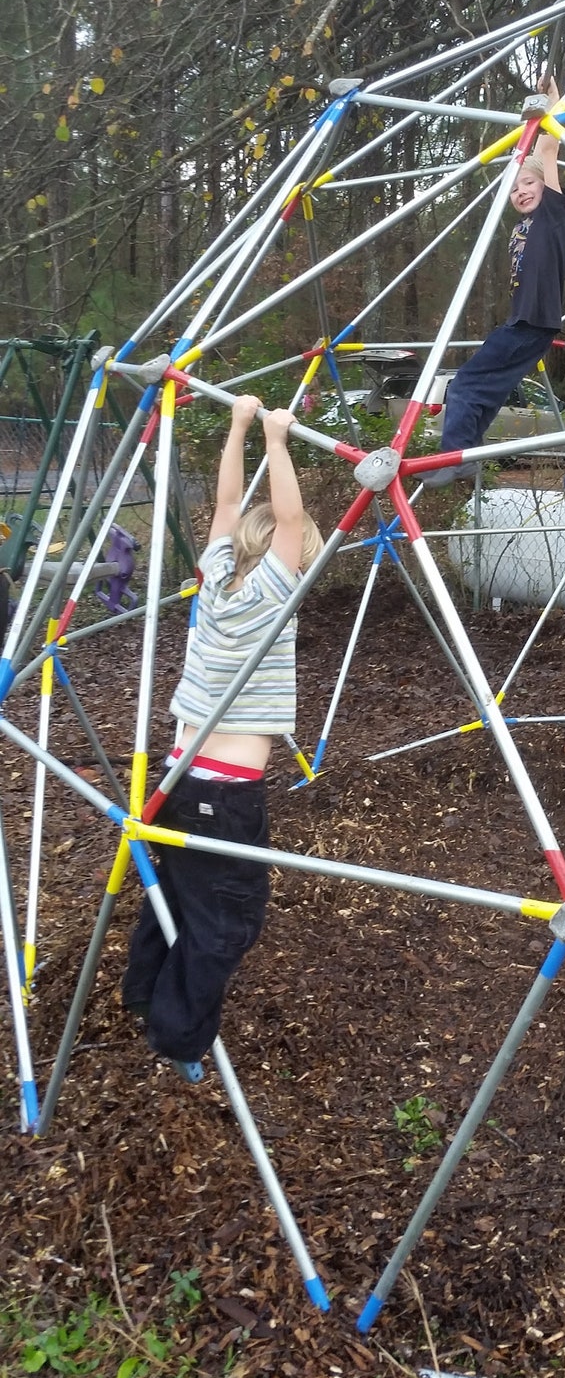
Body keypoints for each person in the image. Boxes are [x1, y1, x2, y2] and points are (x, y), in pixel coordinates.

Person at [122, 396, 322, 1082]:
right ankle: (179, 1036)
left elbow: (229, 502)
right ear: (288, 562)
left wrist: (240, 429)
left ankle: (145, 991)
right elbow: (288, 517)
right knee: (227, 920)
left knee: (174, 891)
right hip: (224, 796)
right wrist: (279, 439)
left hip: (179, 780)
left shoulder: (213, 579)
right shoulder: (274, 594)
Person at [422, 80, 565, 486]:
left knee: (465, 384)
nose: (521, 191)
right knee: (485, 391)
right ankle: (467, 453)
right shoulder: (523, 225)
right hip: (527, 325)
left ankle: (455, 457)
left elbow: (548, 149)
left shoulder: (552, 218)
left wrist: (551, 107)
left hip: (531, 323)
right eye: (515, 187)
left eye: (529, 183)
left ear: (547, 187)